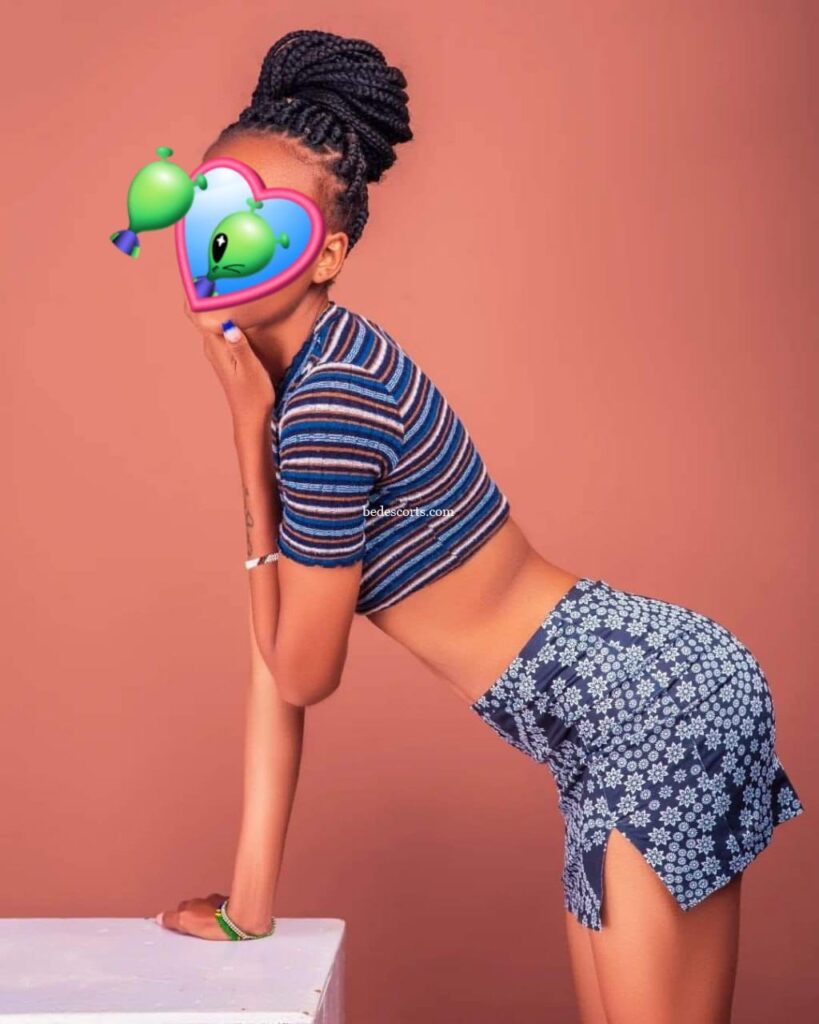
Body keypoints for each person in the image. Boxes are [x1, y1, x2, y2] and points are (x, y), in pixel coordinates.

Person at [155, 28, 804, 1023]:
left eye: (259, 219)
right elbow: (274, 654)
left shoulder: (323, 403)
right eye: (208, 206)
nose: (222, 239)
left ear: (326, 250)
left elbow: (299, 672)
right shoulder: (325, 370)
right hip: (617, 710)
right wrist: (249, 910)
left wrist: (246, 434)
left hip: (640, 705)